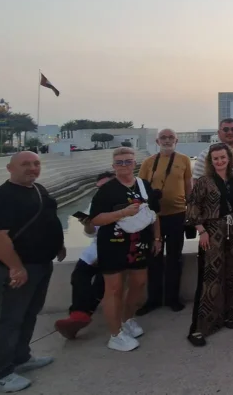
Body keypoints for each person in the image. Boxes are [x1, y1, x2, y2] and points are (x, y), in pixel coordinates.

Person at [0, 151, 65, 393]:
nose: (32, 168)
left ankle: (20, 358)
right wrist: (16, 267)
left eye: (36, 163)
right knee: (8, 320)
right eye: (25, 164)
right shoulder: (1, 198)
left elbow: (48, 220)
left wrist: (58, 244)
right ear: (10, 168)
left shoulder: (38, 189)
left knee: (28, 314)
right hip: (15, 269)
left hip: (41, 264)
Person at [89, 147, 162, 352]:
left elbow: (154, 213)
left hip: (140, 242)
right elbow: (95, 219)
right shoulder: (106, 190)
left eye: (128, 161)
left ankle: (127, 319)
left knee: (139, 283)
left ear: (134, 163)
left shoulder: (143, 185)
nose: (124, 165)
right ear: (113, 166)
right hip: (113, 244)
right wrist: (122, 213)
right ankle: (115, 334)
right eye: (119, 162)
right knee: (114, 289)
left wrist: (157, 238)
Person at [186, 143, 233, 346]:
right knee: (211, 276)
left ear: (229, 159)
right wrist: (201, 231)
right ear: (211, 161)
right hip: (212, 232)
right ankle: (202, 326)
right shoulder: (204, 182)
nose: (220, 161)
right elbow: (193, 206)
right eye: (216, 158)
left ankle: (229, 314)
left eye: (223, 157)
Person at [137, 128, 193, 315]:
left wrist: (190, 210)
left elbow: (188, 186)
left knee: (174, 258)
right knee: (154, 258)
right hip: (154, 218)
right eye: (163, 137)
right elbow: (141, 189)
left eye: (170, 138)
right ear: (157, 141)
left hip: (178, 215)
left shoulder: (184, 160)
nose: (167, 140)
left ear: (176, 141)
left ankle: (172, 298)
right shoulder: (148, 162)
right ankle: (153, 299)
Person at [54, 171, 114, 341]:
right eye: (100, 187)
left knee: (103, 280)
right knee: (79, 275)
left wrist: (103, 255)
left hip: (117, 250)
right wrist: (88, 225)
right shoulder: (96, 204)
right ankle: (77, 314)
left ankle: (82, 315)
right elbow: (91, 233)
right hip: (96, 249)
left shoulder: (126, 204)